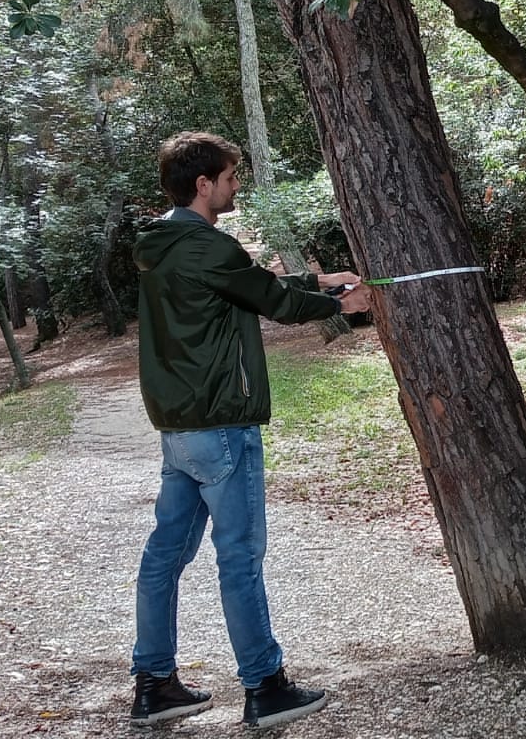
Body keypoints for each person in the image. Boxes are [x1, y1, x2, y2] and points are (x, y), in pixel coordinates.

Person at [128, 131, 374, 729]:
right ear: (203, 183)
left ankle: (153, 685)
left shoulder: (161, 245)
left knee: (165, 554)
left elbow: (244, 290)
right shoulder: (206, 244)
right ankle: (266, 686)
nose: (236, 187)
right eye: (231, 177)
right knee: (238, 556)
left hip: (179, 428)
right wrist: (343, 305)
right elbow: (270, 301)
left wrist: (320, 284)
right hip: (220, 424)